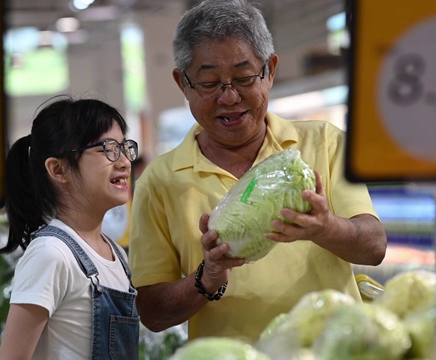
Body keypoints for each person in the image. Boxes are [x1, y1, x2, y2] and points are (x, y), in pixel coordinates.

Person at [127, 0, 387, 343]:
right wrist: (206, 279)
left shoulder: (324, 142)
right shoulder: (158, 180)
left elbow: (374, 247)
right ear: (182, 83)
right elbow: (152, 312)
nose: (230, 97)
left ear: (271, 69)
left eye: (244, 77)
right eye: (209, 83)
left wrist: (325, 228)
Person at [0, 96, 140, 359]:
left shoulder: (116, 253)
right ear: (58, 169)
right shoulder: (50, 254)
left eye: (124, 147)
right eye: (107, 148)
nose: (124, 162)